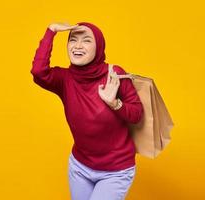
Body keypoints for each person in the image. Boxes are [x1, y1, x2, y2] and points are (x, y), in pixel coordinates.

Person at [30, 21, 144, 200]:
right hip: (80, 167)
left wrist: (115, 103)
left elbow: (137, 114)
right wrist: (51, 31)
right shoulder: (65, 79)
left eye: (86, 40)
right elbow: (38, 72)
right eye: (72, 40)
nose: (77, 45)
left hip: (115, 171)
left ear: (98, 47)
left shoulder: (114, 74)